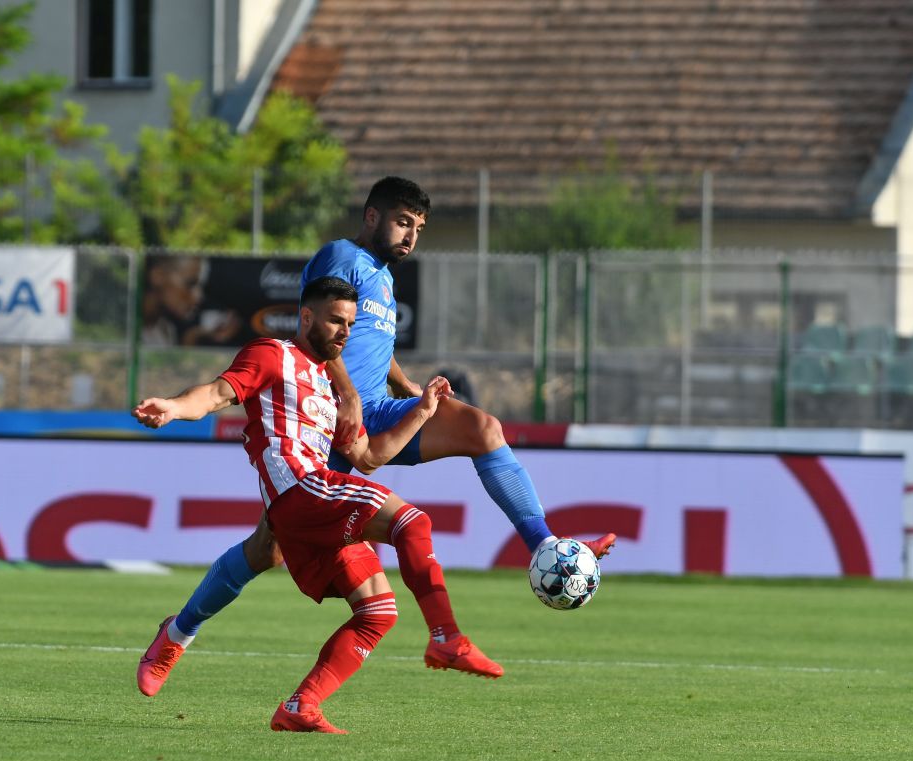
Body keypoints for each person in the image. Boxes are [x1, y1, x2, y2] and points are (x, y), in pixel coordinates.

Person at [138, 176, 615, 695]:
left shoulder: (385, 278)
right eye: (402, 222)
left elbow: (371, 343)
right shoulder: (341, 256)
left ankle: (545, 546)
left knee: (483, 428)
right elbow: (325, 330)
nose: (410, 236)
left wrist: (407, 387)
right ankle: (178, 632)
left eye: (419, 228)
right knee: (266, 550)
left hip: (378, 412)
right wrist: (345, 394)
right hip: (329, 421)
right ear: (371, 217)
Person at [134, 276, 495, 733]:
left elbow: (369, 458)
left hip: (312, 508)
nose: (344, 331)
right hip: (300, 488)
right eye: (334, 321)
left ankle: (300, 706)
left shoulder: (331, 392)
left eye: (349, 323)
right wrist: (171, 405)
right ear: (306, 318)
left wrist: (422, 412)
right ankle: (446, 637)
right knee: (411, 522)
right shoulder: (272, 354)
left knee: (378, 612)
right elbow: (215, 394)